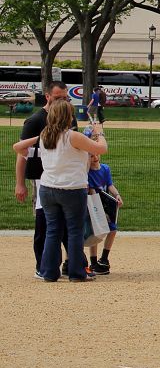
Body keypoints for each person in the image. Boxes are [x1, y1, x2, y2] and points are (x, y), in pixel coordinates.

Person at [14, 98, 108, 281]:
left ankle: (48, 272)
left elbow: (18, 147)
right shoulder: (72, 136)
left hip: (48, 188)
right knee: (74, 231)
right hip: (72, 188)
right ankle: (76, 272)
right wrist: (100, 132)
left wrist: (37, 137)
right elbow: (101, 149)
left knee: (53, 231)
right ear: (68, 116)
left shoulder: (45, 136)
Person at [16, 81, 73, 277]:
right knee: (44, 224)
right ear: (47, 96)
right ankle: (42, 265)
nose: (62, 101)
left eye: (65, 97)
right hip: (41, 178)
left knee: (66, 225)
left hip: (64, 179)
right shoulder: (35, 121)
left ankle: (68, 263)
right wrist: (20, 183)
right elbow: (21, 153)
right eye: (58, 98)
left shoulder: (68, 118)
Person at [85, 155, 122, 275]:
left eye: (96, 154)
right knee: (96, 232)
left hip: (106, 204)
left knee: (113, 230)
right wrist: (100, 213)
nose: (95, 157)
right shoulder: (87, 172)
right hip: (94, 205)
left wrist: (116, 195)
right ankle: (94, 262)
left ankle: (104, 258)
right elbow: (92, 192)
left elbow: (109, 185)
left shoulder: (105, 168)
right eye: (91, 156)